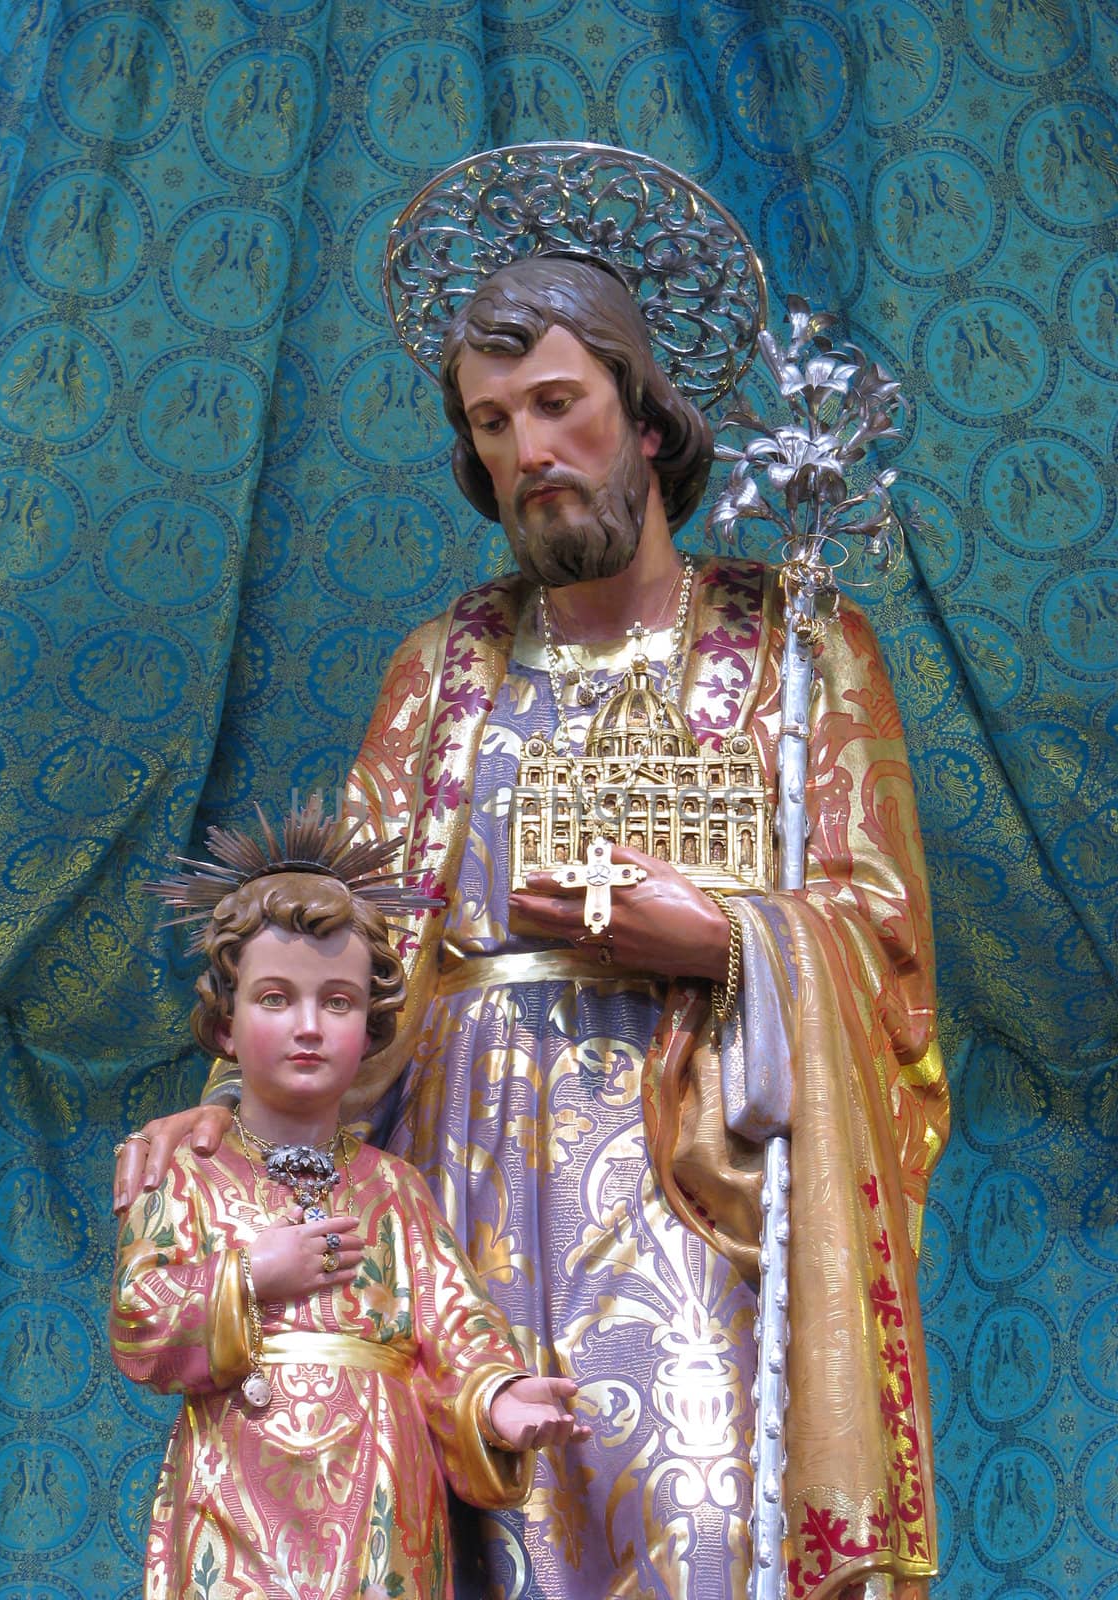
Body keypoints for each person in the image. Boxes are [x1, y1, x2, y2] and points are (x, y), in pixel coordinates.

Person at [116, 254, 949, 1600]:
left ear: (650, 413)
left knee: (705, 1528)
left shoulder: (800, 647)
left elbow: (887, 944)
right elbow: (344, 942)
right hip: (459, 1173)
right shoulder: (442, 663)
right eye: (493, 425)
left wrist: (728, 938)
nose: (529, 454)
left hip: (695, 1179)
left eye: (559, 405)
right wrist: (228, 1126)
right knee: (488, 1534)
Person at [111, 815, 587, 1600]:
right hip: (237, 1497)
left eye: (337, 1001)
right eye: (275, 998)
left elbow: (453, 1327)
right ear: (225, 1024)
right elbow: (137, 1320)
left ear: (370, 1029)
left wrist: (498, 1397)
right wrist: (250, 1273)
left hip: (381, 1500)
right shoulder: (187, 1169)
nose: (307, 1027)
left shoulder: (395, 1189)